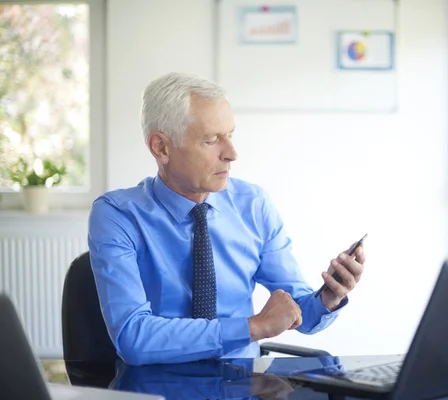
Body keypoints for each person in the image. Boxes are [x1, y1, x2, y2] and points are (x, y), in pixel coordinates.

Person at [88, 72, 366, 366]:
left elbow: (299, 313)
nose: (232, 154)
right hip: (160, 385)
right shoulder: (117, 215)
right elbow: (134, 337)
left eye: (230, 135)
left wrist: (328, 298)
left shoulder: (253, 206)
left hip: (242, 385)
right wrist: (254, 327)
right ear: (161, 147)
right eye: (211, 140)